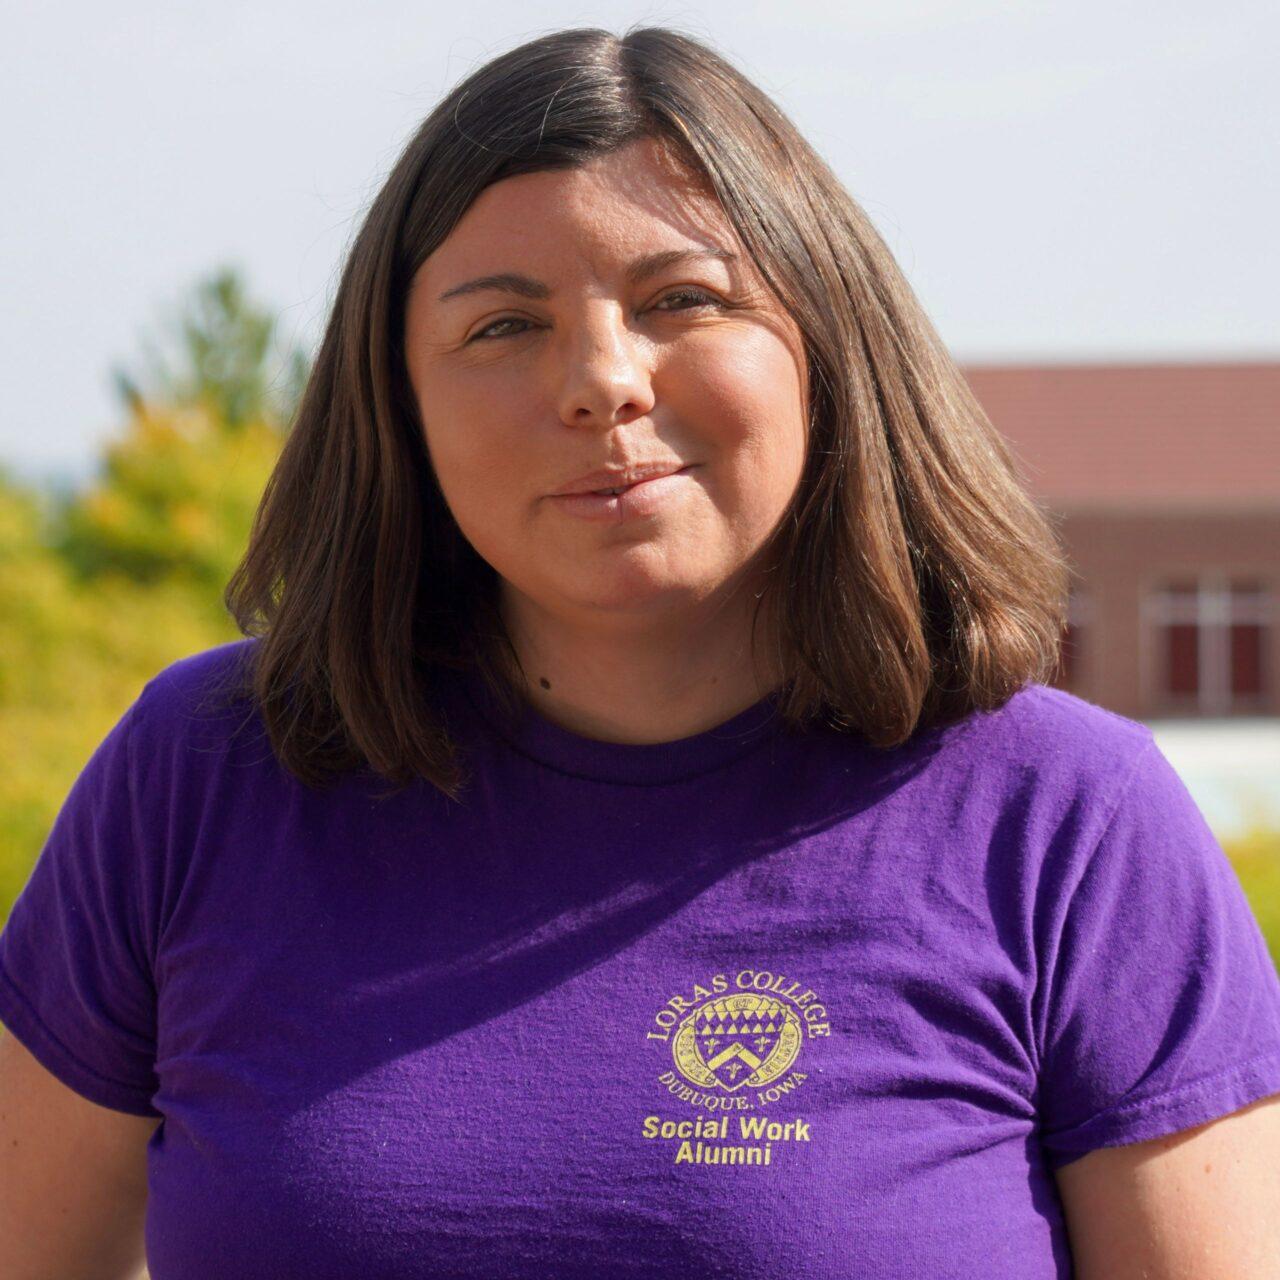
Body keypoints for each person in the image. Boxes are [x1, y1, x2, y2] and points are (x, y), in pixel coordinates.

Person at [2, 23, 1279, 1280]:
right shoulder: (203, 777)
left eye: (682, 299)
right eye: (502, 325)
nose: (600, 380)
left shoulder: (1067, 820)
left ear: (828, 345)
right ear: (398, 402)